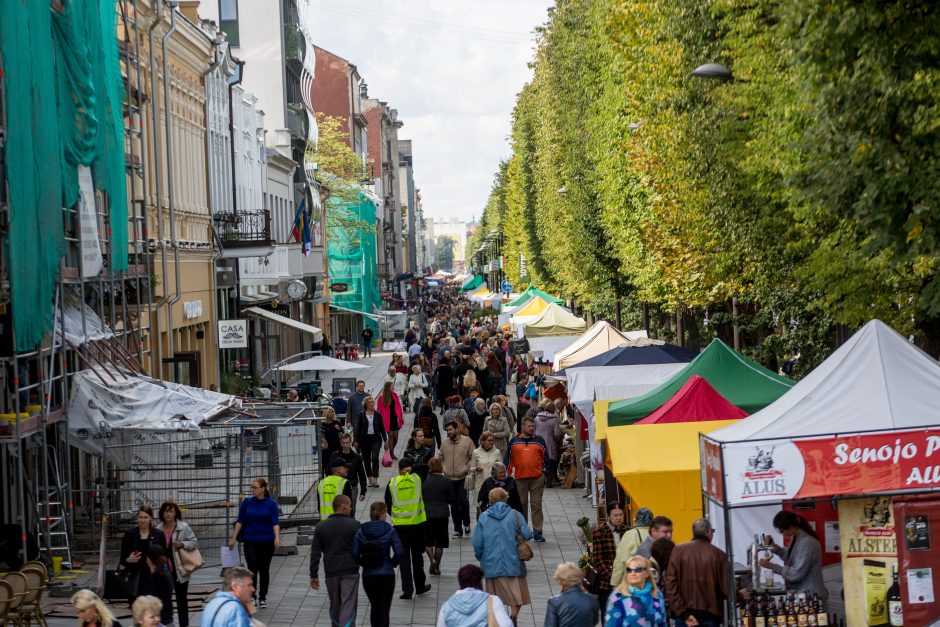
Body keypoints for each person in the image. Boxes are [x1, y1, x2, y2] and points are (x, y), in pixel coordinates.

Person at [472, 487, 533, 624]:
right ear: (506, 498)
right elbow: (528, 534)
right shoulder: (515, 515)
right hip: (513, 562)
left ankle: (498, 622)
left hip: (491, 563)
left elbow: (477, 543)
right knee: (518, 594)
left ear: (490, 500)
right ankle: (513, 617)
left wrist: (480, 556)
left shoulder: (483, 517)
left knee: (494, 598)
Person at [664, 518, 728, 627]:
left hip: (684, 616)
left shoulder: (677, 551)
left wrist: (683, 613)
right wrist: (740, 595)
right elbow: (726, 588)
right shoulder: (719, 555)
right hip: (711, 616)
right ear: (708, 532)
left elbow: (670, 585)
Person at [310, 495, 362, 627]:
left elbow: (315, 553)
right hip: (350, 570)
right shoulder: (355, 525)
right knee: (348, 604)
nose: (351, 508)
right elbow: (362, 548)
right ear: (343, 506)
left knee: (335, 605)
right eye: (349, 505)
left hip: (331, 571)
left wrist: (314, 575)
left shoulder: (322, 526)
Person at [228, 478, 280, 608]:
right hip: (250, 540)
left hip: (267, 541)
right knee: (252, 569)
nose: (252, 490)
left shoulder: (271, 504)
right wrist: (233, 537)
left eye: (255, 487)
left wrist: (277, 537)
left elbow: (275, 522)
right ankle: (252, 596)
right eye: (251, 487)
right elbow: (240, 521)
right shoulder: (247, 503)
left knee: (264, 569)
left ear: (263, 489)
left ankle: (263, 597)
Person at [385, 458, 432, 599]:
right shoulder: (417, 478)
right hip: (417, 525)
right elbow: (425, 467)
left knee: (404, 559)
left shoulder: (392, 483)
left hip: (400, 527)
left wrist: (396, 515)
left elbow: (388, 502)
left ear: (399, 469)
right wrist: (413, 468)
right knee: (417, 557)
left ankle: (407, 590)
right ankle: (420, 587)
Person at [352, 502, 403, 627]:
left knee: (375, 605)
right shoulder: (390, 530)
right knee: (384, 608)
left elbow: (353, 552)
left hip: (369, 575)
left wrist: (363, 563)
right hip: (386, 574)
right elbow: (399, 551)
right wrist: (392, 564)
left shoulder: (362, 530)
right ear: (383, 513)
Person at [759, 510, 828, 602]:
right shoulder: (797, 537)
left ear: (790, 527)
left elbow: (796, 574)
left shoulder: (807, 542)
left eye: (781, 530)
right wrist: (773, 546)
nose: (781, 533)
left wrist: (773, 566)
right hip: (803, 594)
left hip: (811, 596)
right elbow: (789, 556)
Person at [154, 501, 198, 627]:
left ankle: (184, 624)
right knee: (164, 598)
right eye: (166, 511)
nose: (168, 514)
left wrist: (183, 544)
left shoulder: (183, 527)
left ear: (175, 513)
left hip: (180, 568)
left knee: (181, 598)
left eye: (171, 511)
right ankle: (165, 623)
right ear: (162, 513)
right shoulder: (158, 529)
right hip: (164, 569)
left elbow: (194, 542)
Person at [505, 417, 547, 542]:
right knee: (521, 505)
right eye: (529, 426)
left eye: (533, 426)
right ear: (522, 427)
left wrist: (544, 473)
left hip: (537, 478)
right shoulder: (514, 441)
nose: (531, 428)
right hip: (519, 478)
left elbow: (546, 458)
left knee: (536, 505)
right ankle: (523, 531)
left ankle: (537, 531)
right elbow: (508, 459)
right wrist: (507, 475)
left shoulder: (539, 440)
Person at [436, 563, 512, 627]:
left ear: (460, 582)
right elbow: (506, 625)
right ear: (480, 581)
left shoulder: (447, 606)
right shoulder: (493, 601)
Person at [605, 555, 667, 626]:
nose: (633, 573)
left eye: (637, 569)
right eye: (629, 570)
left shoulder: (657, 594)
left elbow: (663, 623)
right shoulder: (617, 596)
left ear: (646, 573)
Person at [438, 420, 474, 538]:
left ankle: (467, 523)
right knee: (453, 504)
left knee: (463, 501)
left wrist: (466, 468)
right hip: (449, 478)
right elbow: (440, 457)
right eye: (447, 430)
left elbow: (472, 457)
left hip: (462, 477)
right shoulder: (444, 443)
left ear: (457, 429)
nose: (448, 432)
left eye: (450, 430)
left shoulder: (467, 441)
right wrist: (444, 468)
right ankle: (457, 529)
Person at [590, 503, 629, 610]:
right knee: (606, 613)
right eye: (615, 515)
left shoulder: (628, 531)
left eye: (621, 515)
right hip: (606, 583)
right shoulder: (599, 533)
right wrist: (613, 578)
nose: (618, 518)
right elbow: (598, 559)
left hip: (626, 581)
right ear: (609, 516)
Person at [119, 505, 158, 603]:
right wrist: (129, 559)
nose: (143, 520)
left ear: (151, 518)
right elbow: (122, 559)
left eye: (146, 517)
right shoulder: (129, 534)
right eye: (140, 517)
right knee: (136, 609)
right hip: (134, 578)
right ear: (137, 518)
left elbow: (163, 557)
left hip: (152, 577)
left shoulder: (158, 534)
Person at [422, 457, 454, 576]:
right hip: (442, 514)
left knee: (428, 540)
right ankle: (437, 566)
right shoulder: (447, 481)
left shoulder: (424, 481)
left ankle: (431, 559)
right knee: (440, 542)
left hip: (428, 514)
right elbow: (451, 499)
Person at [545, 562, 601, 627]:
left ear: (561, 581)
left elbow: (550, 625)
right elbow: (594, 621)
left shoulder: (555, 602)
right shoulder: (592, 600)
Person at [610, 507, 654, 587]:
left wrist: (615, 583)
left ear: (636, 520)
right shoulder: (657, 534)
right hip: (653, 581)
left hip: (634, 581)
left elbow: (620, 560)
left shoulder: (630, 535)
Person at [328, 433, 368, 515]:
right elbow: (329, 471)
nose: (345, 445)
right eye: (343, 443)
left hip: (352, 485)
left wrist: (363, 491)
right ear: (340, 443)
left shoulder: (356, 457)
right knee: (338, 508)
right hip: (337, 486)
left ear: (350, 442)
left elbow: (361, 474)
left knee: (351, 509)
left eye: (347, 442)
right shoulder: (334, 456)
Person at [355, 396, 388, 488]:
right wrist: (356, 440)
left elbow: (382, 428)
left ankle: (375, 478)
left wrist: (386, 440)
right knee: (366, 460)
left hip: (376, 439)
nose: (372, 404)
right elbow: (358, 429)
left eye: (373, 402)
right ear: (366, 404)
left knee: (375, 458)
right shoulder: (361, 415)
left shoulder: (378, 415)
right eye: (369, 402)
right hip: (364, 440)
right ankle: (369, 479)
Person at [142, 545, 174, 626]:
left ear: (149, 559)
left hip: (159, 620)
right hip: (167, 617)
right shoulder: (166, 572)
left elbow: (149, 598)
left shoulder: (156, 576)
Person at [533, 400, 562, 488]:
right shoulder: (554, 419)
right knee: (550, 463)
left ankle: (540, 481)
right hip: (550, 444)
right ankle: (549, 482)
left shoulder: (536, 418)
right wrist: (557, 439)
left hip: (538, 443)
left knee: (539, 462)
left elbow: (533, 430)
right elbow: (557, 433)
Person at [467, 431, 501, 500]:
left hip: (493, 485)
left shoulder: (497, 452)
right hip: (479, 485)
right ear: (483, 441)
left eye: (492, 440)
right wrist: (476, 469)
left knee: (493, 508)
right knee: (479, 509)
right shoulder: (476, 452)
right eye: (489, 440)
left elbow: (501, 468)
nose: (491, 442)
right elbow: (470, 469)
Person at [377, 381, 404, 458]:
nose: (393, 388)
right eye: (391, 386)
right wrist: (379, 420)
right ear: (387, 388)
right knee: (391, 436)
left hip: (395, 418)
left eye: (393, 386)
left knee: (396, 437)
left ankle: (391, 450)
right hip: (387, 419)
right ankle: (391, 453)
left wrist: (401, 416)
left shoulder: (395, 395)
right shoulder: (381, 397)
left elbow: (398, 406)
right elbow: (379, 409)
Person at [320, 407, 345, 473]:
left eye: (332, 412)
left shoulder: (336, 422)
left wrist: (339, 429)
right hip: (327, 448)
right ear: (326, 413)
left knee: (336, 464)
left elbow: (342, 433)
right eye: (330, 412)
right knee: (327, 465)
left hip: (336, 446)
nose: (332, 413)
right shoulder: (322, 424)